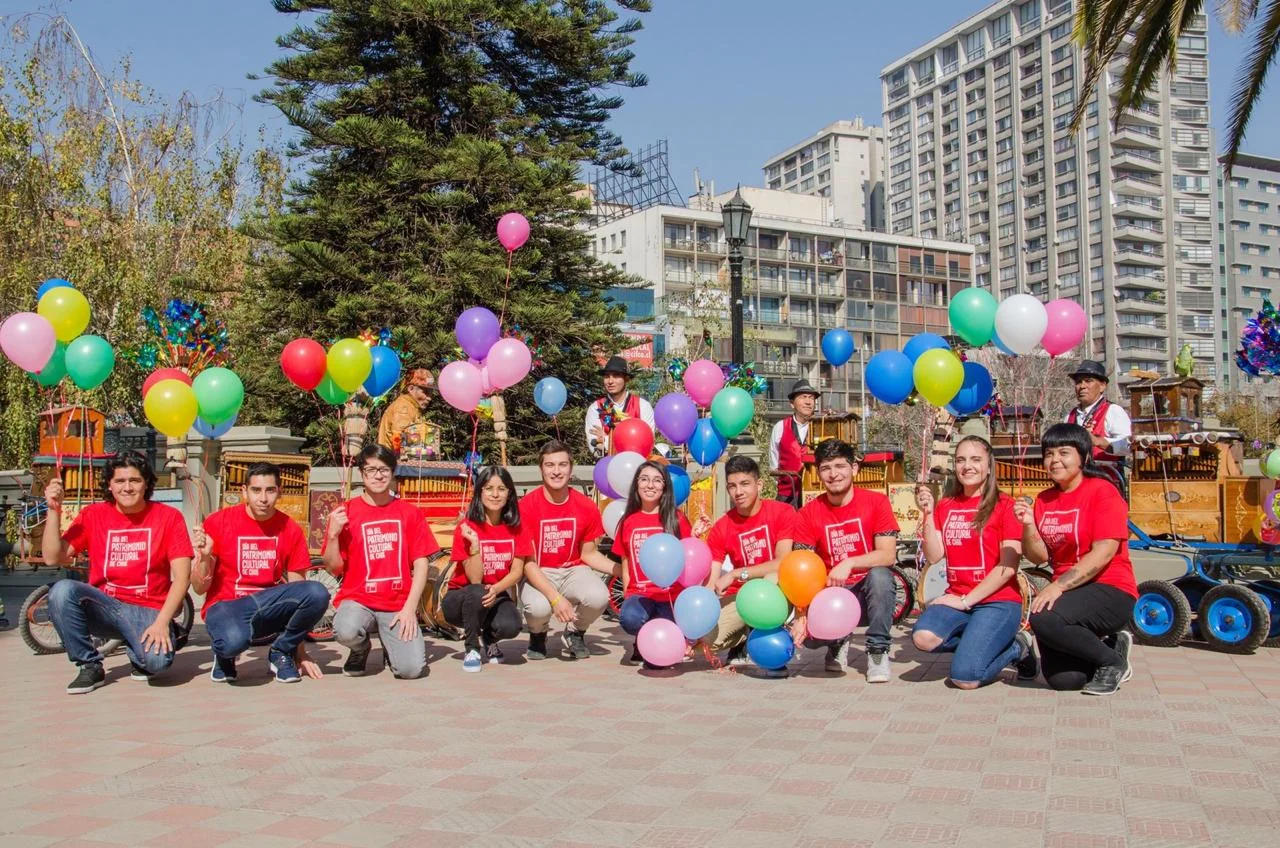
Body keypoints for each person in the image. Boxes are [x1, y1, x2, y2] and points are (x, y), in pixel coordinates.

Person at [42, 451, 193, 695]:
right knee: (61, 591)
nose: (127, 488)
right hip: (105, 607)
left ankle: (153, 640)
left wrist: (162, 623)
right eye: (120, 481)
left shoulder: (168, 517)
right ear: (109, 486)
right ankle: (89, 664)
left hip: (148, 610)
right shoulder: (94, 515)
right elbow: (52, 557)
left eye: (134, 480)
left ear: (146, 484)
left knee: (157, 664)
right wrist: (53, 510)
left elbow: (183, 577)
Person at [1014, 423, 1138, 695]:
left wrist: (1058, 586)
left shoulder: (1103, 491)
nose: (1054, 460)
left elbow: (1104, 552)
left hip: (1110, 587)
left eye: (1064, 452)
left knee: (1043, 618)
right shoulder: (1044, 500)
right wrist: (1028, 525)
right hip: (1070, 595)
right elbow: (1040, 556)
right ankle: (1109, 645)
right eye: (1048, 454)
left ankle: (1114, 662)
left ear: (1083, 456)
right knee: (1066, 680)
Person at [911, 436, 1036, 688]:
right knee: (923, 638)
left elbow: (1007, 567)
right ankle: (980, 643)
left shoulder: (1006, 505)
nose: (967, 466)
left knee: (965, 678)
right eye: (960, 460)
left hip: (998, 602)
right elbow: (935, 556)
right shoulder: (946, 506)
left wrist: (966, 600)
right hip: (958, 599)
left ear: (989, 466)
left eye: (975, 459)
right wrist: (928, 514)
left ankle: (1017, 647)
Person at [191, 462, 330, 684]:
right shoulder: (219, 522)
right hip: (227, 607)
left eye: (270, 490)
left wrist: (300, 653)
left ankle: (282, 651)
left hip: (267, 607)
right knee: (233, 642)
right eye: (256, 490)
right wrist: (205, 557)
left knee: (317, 592)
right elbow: (199, 588)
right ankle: (224, 656)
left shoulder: (290, 528)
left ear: (279, 492)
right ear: (244, 491)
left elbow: (299, 590)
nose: (263, 498)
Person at [323, 444, 436, 679]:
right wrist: (333, 534)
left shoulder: (410, 512)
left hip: (397, 603)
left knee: (411, 670)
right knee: (345, 630)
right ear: (362, 474)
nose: (378, 475)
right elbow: (333, 566)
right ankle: (360, 648)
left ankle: (390, 644)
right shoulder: (346, 512)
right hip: (359, 599)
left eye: (384, 469)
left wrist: (409, 608)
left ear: (393, 472)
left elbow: (421, 563)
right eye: (371, 470)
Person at [792, 439, 899, 683]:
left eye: (840, 466)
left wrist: (850, 562)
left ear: (854, 469)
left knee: (881, 575)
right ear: (818, 473)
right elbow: (802, 568)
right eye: (826, 468)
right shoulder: (808, 513)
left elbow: (888, 554)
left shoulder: (876, 502)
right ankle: (836, 640)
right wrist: (801, 615)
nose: (833, 474)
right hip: (830, 593)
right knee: (809, 638)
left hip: (866, 591)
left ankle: (878, 651)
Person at [519, 440, 617, 661]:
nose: (556, 471)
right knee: (537, 609)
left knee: (599, 596)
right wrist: (556, 599)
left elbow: (589, 554)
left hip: (573, 570)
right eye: (550, 465)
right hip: (539, 570)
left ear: (571, 469)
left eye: (562, 465)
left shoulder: (586, 506)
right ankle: (538, 633)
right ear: (541, 469)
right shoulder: (526, 506)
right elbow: (528, 562)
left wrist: (621, 570)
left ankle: (575, 632)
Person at [705, 455, 796, 675]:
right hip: (742, 599)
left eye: (745, 484)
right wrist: (700, 620)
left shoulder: (782, 512)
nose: (739, 492)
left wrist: (737, 573)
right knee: (708, 640)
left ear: (759, 484)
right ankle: (742, 638)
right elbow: (711, 580)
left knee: (770, 579)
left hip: (777, 591)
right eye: (732, 486)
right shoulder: (722, 526)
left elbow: (782, 562)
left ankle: (771, 648)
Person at [443, 466, 529, 672]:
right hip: (462, 597)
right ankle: (471, 648)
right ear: (479, 491)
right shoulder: (467, 526)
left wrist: (497, 589)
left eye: (501, 488)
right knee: (477, 591)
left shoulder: (517, 527)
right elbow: (474, 579)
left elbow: (517, 571)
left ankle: (489, 639)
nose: (495, 494)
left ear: (509, 494)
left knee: (512, 625)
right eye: (489, 488)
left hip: (496, 593)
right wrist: (474, 544)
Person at [614, 461, 695, 665]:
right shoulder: (628, 521)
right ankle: (641, 640)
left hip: (670, 595)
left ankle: (655, 642)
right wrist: (627, 592)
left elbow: (689, 556)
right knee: (630, 618)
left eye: (657, 480)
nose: (650, 485)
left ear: (665, 487)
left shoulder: (676, 519)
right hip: (641, 594)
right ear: (636, 485)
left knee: (664, 651)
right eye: (644, 479)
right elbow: (626, 561)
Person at [1064, 360, 1131, 495]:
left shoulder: (1113, 411)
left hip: (1107, 483)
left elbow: (1127, 446)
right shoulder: (1069, 416)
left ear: (1102, 386)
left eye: (1088, 381)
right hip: (1075, 485)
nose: (1082, 386)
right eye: (1078, 382)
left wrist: (1097, 441)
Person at [585, 355, 655, 458]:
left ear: (626, 379)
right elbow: (595, 448)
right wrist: (630, 441)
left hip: (637, 469)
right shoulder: (595, 408)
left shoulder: (643, 406)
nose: (610, 381)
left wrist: (606, 440)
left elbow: (647, 442)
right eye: (607, 376)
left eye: (616, 376)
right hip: (607, 469)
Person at [769, 379, 819, 508]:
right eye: (803, 397)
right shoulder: (780, 427)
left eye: (811, 398)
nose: (808, 402)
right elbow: (774, 462)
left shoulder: (822, 427)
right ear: (792, 404)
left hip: (816, 492)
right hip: (787, 495)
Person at [377, 368, 441, 459]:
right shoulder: (404, 408)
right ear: (411, 389)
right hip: (392, 463)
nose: (429, 398)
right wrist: (403, 459)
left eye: (430, 393)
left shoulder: (412, 406)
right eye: (425, 392)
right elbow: (397, 437)